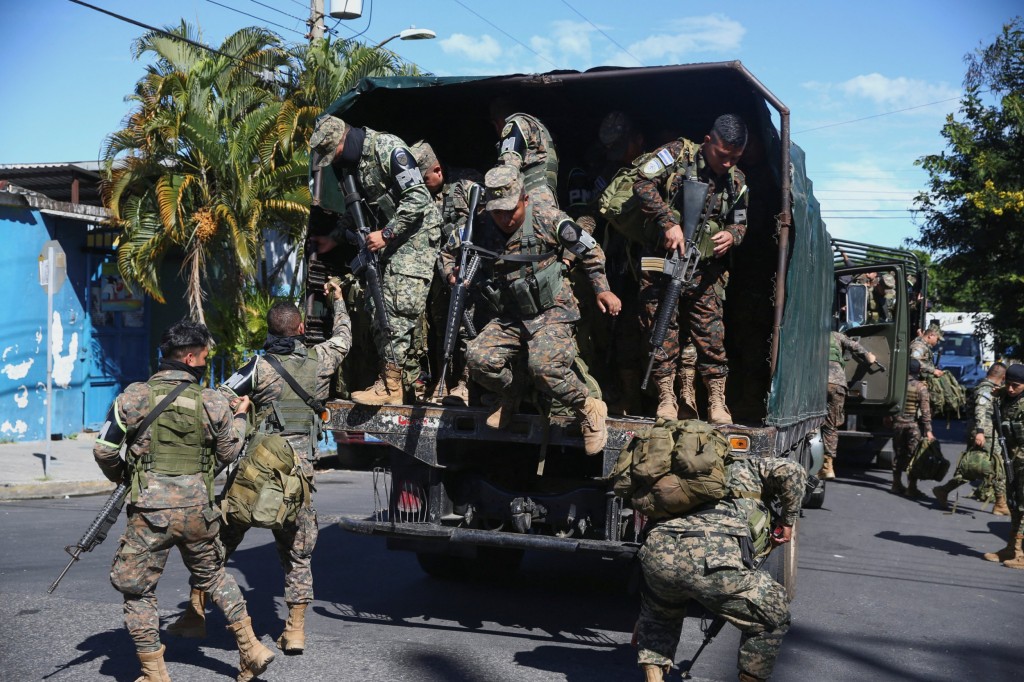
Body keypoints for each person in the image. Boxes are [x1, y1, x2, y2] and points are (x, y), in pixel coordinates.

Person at [167, 281, 351, 654]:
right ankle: (295, 630)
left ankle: (194, 615)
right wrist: (339, 299)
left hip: (252, 473)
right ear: (301, 329)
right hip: (297, 478)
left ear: (270, 331)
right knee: (298, 554)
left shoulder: (258, 367)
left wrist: (237, 415)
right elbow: (344, 335)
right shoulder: (324, 360)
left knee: (218, 545)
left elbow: (216, 398)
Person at [92, 320, 274, 682]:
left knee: (138, 589)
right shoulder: (211, 402)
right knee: (214, 576)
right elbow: (229, 451)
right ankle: (251, 647)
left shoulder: (133, 397)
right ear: (190, 357)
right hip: (197, 511)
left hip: (150, 514)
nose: (206, 362)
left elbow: (104, 449)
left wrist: (126, 477)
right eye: (204, 357)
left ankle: (154, 673)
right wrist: (239, 418)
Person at [464, 166, 620, 455]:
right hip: (512, 314)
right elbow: (452, 250)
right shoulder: (482, 224)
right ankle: (511, 394)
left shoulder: (548, 218)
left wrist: (602, 288)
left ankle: (588, 407)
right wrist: (453, 271)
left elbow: (590, 249)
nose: (505, 218)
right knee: (477, 359)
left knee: (544, 368)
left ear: (524, 199)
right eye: (497, 212)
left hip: (553, 310)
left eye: (510, 210)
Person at [635, 447, 807, 682]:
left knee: (660, 615)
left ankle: (653, 676)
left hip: (660, 550)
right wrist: (788, 521)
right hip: (713, 554)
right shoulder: (748, 466)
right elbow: (793, 470)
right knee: (773, 614)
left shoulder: (677, 472)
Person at [308, 115, 442, 405]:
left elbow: (418, 199)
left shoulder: (388, 150)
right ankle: (394, 384)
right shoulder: (355, 164)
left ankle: (391, 387)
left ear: (344, 140)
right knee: (376, 305)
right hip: (392, 241)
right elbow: (359, 208)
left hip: (416, 237)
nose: (335, 161)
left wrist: (388, 233)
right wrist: (335, 236)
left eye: (336, 154)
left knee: (396, 308)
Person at [634, 114, 749, 424]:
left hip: (705, 269)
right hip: (662, 260)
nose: (727, 164)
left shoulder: (736, 181)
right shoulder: (675, 154)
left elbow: (740, 222)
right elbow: (642, 182)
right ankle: (666, 398)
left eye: (735, 158)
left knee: (710, 335)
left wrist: (732, 236)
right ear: (708, 142)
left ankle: (716, 400)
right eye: (723, 156)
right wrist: (667, 222)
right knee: (661, 329)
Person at [409, 140, 484, 405]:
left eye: (425, 179)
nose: (421, 186)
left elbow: (485, 227)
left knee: (466, 329)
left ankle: (464, 385)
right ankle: (442, 381)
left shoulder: (467, 186)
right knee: (442, 329)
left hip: (468, 274)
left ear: (438, 171)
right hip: (440, 277)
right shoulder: (421, 197)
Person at [933, 363, 1009, 514]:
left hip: (983, 432)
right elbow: (980, 409)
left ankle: (943, 490)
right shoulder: (985, 389)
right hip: (984, 433)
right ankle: (1000, 504)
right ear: (1004, 377)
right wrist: (980, 431)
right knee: (997, 465)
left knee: (974, 467)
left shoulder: (984, 386)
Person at [982, 362, 1024, 569]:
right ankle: (1012, 549)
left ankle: (1021, 552)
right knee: (1014, 504)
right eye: (1008, 384)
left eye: (1015, 385)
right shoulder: (1006, 398)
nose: (1010, 388)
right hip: (1013, 460)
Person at [821, 330, 877, 479]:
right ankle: (827, 465)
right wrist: (868, 356)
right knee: (831, 425)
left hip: (816, 381)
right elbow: (855, 346)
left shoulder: (809, 333)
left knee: (810, 420)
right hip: (837, 383)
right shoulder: (836, 335)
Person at [490, 97, 559, 209]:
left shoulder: (515, 124)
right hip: (546, 200)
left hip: (530, 202)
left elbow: (507, 171)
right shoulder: (539, 127)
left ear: (496, 124)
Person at [891, 359, 934, 497]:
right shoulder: (921, 387)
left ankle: (896, 484)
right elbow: (925, 411)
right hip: (912, 426)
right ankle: (912, 487)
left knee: (898, 454)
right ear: (918, 371)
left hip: (897, 424)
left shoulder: (898, 385)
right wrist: (928, 430)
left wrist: (887, 417)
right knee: (913, 456)